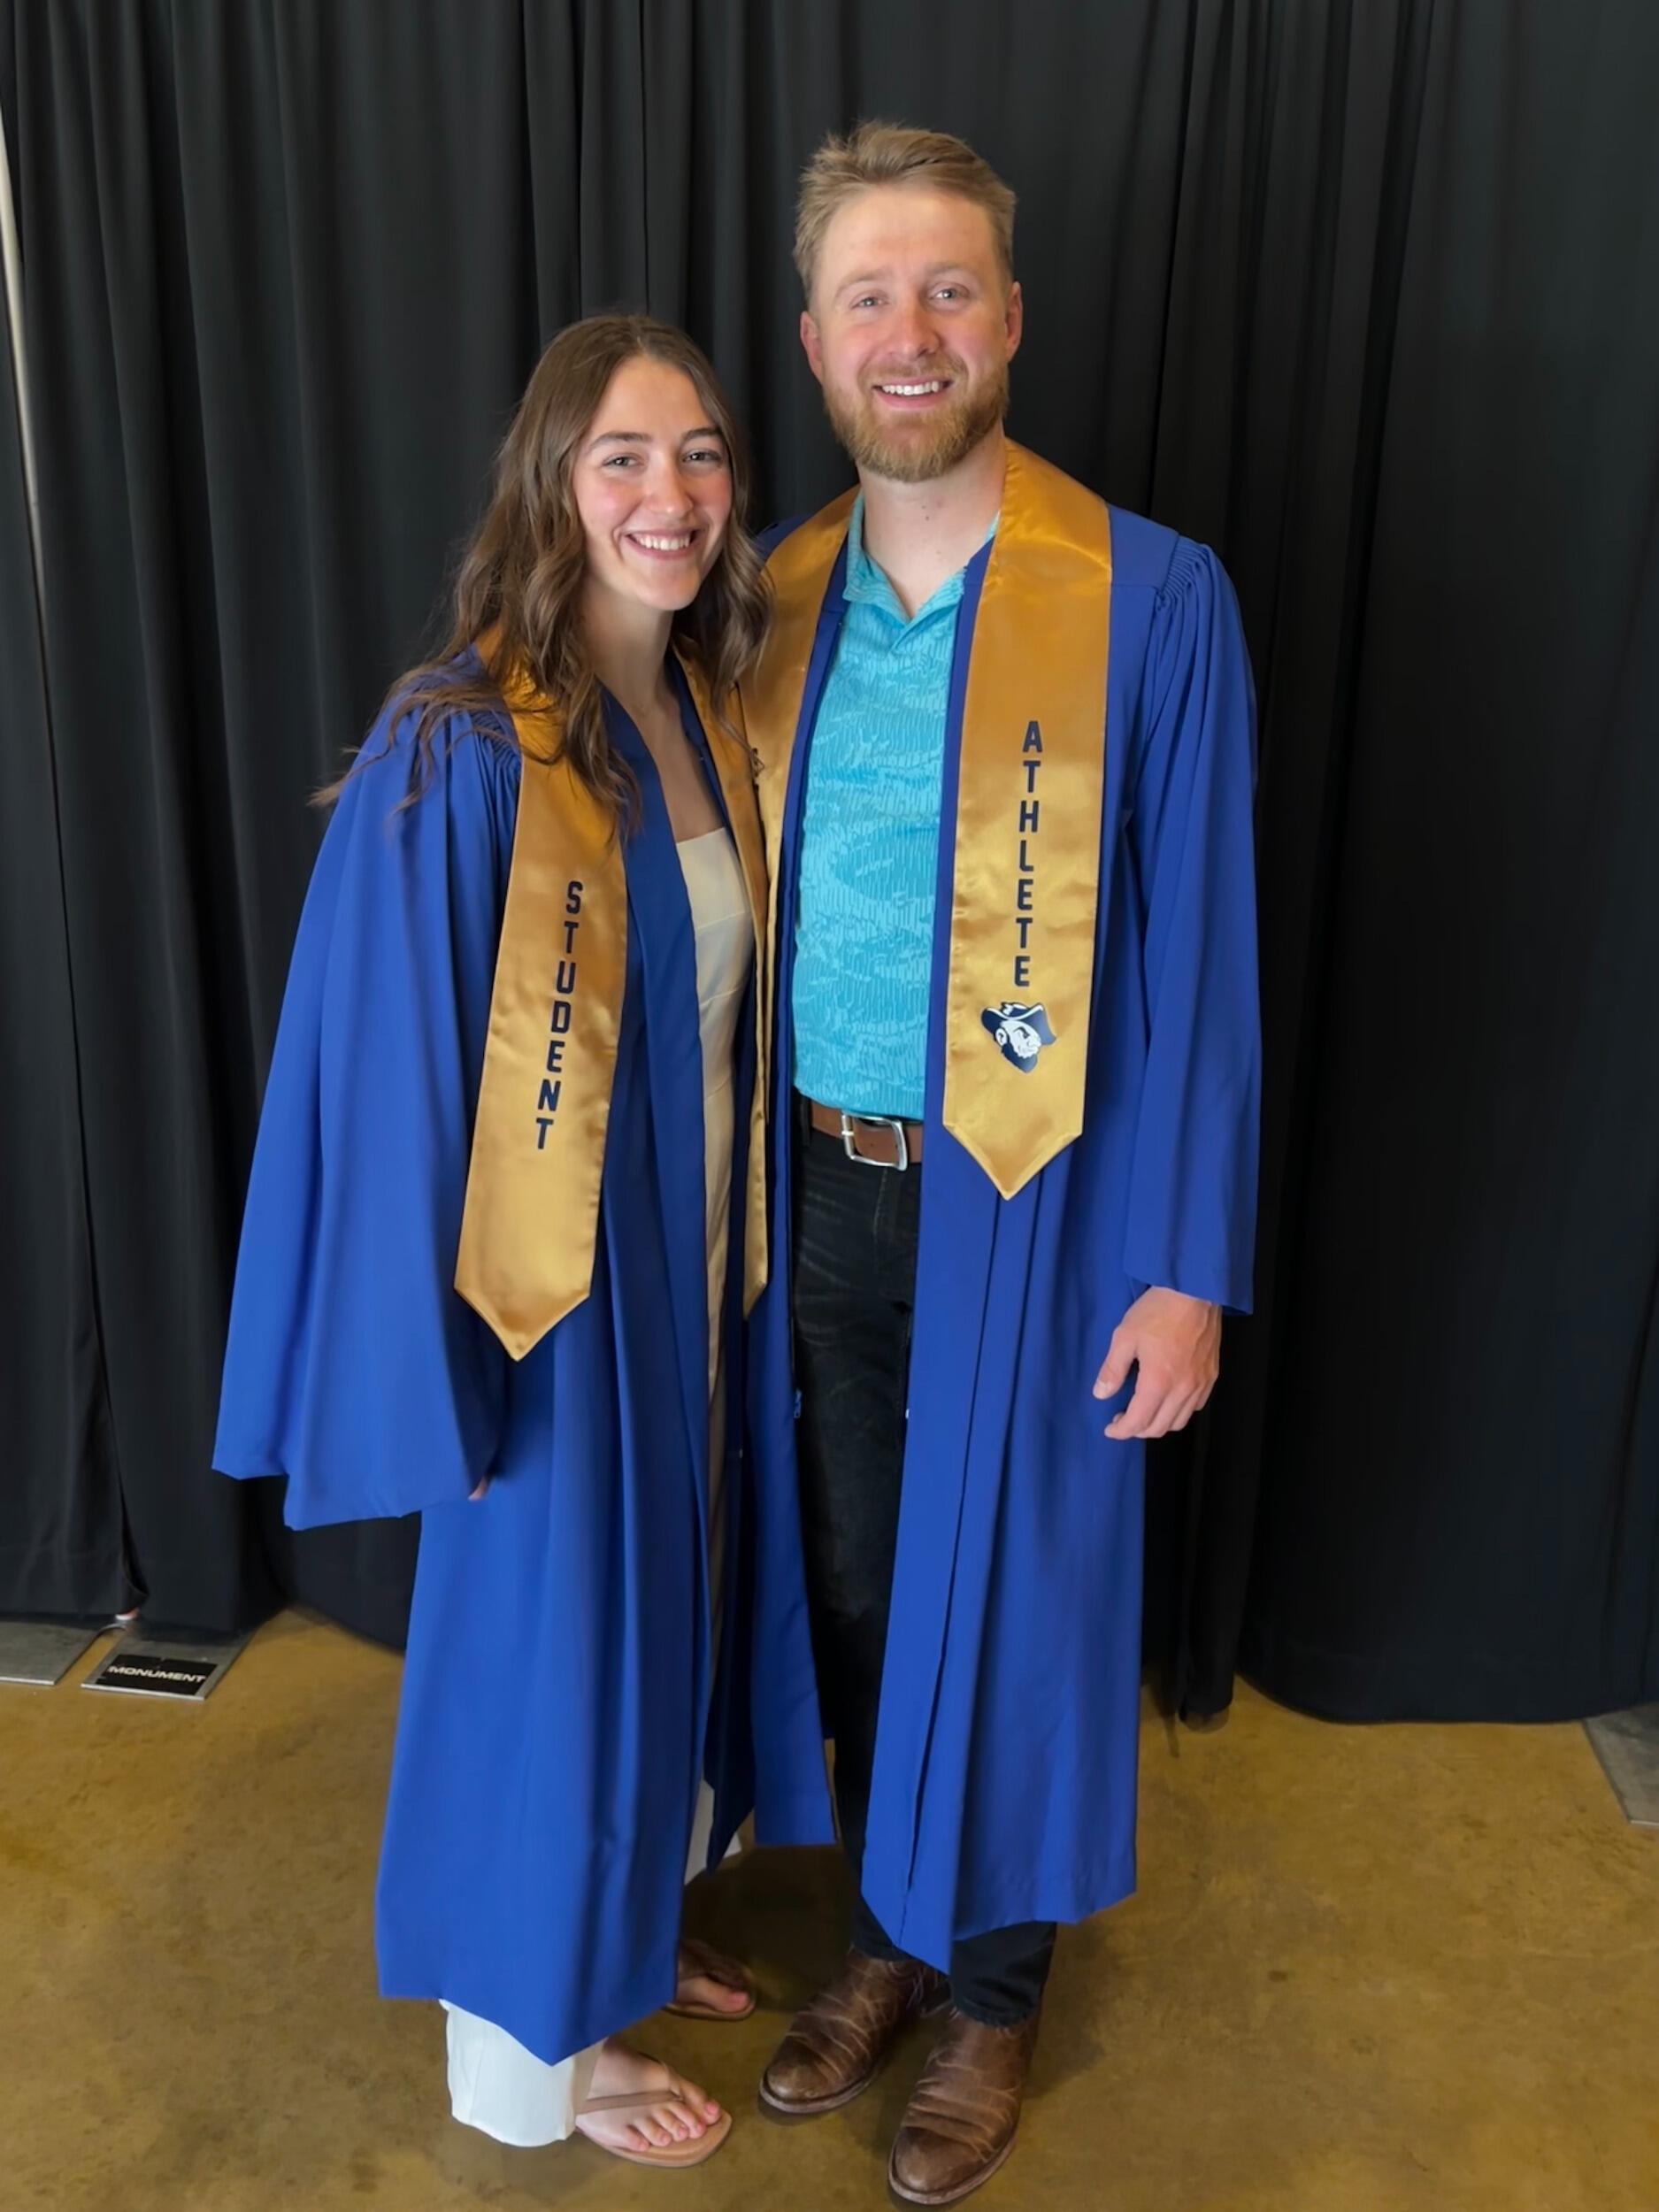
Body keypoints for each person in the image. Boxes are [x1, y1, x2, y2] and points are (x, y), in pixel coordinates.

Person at [213, 315, 833, 2170]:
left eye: (703, 454)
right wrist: (436, 1374)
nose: (673, 494)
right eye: (625, 457)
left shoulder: (708, 711)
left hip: (700, 1280)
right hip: (551, 1311)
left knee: (666, 1639)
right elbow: (385, 1083)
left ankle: (623, 1935)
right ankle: (526, 2067)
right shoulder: (464, 744)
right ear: (552, 485)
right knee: (549, 1669)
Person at [743, 125, 1261, 2206]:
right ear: (810, 338)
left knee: (1029, 1594)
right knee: (862, 1582)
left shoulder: (1150, 596)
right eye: (869, 293)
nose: (910, 330)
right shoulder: (769, 591)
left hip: (1036, 1198)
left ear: (1011, 321)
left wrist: (1181, 1260)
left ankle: (991, 1986)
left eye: (949, 288)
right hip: (816, 1192)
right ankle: (882, 1931)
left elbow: (1206, 954)